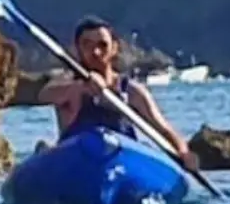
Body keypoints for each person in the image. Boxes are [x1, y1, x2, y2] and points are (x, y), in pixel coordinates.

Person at [37, 16, 199, 170]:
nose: (96, 52)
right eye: (87, 45)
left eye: (102, 45)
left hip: (121, 162)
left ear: (114, 48)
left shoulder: (132, 91)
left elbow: (164, 129)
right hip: (75, 162)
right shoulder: (67, 86)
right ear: (77, 48)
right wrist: (82, 87)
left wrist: (183, 151)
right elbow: (44, 95)